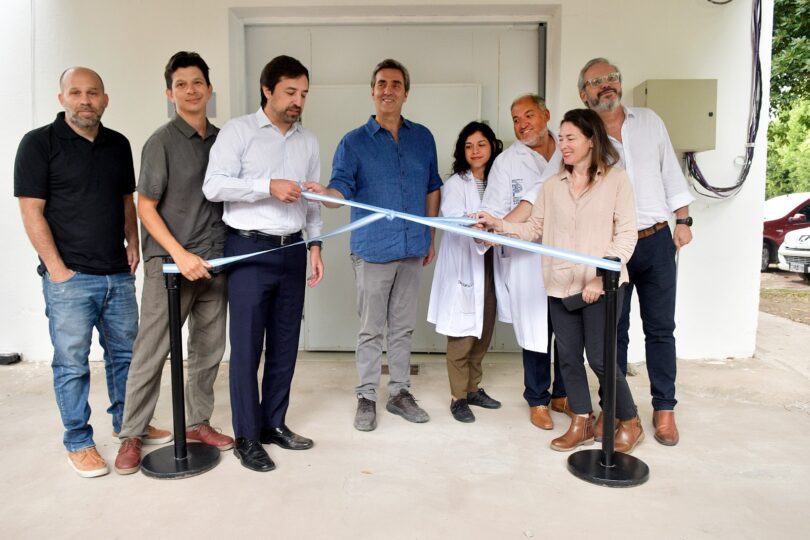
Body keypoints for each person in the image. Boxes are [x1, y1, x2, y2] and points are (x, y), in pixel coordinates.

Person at [479, 108, 644, 453]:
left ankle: (630, 420)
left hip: (601, 288)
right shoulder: (553, 186)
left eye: (571, 138)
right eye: (563, 138)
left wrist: (602, 276)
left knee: (600, 359)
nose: (563, 145)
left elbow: (627, 234)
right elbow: (533, 229)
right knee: (568, 358)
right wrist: (499, 225)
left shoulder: (617, 181)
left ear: (591, 140)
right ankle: (581, 421)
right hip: (560, 285)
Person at [14, 67, 151, 477]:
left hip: (117, 275)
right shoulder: (38, 144)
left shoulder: (118, 144)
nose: (85, 100)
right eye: (76, 93)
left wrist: (133, 242)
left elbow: (126, 199)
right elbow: (31, 212)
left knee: (126, 357)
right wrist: (57, 270)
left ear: (105, 99)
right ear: (62, 99)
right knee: (72, 364)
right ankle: (78, 441)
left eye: (93, 93)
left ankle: (129, 426)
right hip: (70, 278)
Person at [304, 59, 442, 432]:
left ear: (406, 93)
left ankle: (399, 393)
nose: (388, 90)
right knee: (370, 329)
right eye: (381, 83)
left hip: (412, 248)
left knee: (402, 327)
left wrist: (430, 235)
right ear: (372, 91)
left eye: (395, 84)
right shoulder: (353, 142)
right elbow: (340, 191)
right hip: (373, 251)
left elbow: (433, 186)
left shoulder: (422, 138)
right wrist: (325, 194)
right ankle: (366, 396)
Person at [114, 52, 234, 476]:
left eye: (197, 82)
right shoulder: (161, 142)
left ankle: (198, 423)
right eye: (181, 84)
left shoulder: (225, 140)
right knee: (152, 350)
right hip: (170, 264)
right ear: (170, 93)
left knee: (208, 349)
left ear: (210, 89)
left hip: (215, 262)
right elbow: (145, 207)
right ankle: (132, 433)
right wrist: (180, 256)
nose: (191, 90)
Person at [203, 55, 324, 472]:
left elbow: (312, 200)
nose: (298, 101)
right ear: (267, 89)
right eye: (290, 92)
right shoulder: (238, 132)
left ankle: (274, 424)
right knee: (247, 348)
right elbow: (214, 185)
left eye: (303, 94)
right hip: (250, 250)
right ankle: (247, 437)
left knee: (285, 344)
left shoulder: (309, 141)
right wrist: (266, 186)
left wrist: (315, 245)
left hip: (293, 250)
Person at [578, 57, 694, 445]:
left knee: (661, 328)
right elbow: (552, 184)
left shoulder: (649, 121)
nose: (606, 84)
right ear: (584, 94)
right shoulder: (585, 135)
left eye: (611, 77)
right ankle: (614, 410)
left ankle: (664, 409)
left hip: (658, 239)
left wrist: (684, 219)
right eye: (597, 81)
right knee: (613, 333)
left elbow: (670, 172)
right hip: (614, 247)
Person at [479, 94, 567, 431]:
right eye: (516, 119)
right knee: (536, 330)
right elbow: (494, 209)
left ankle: (563, 394)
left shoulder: (569, 147)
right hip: (527, 258)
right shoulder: (506, 163)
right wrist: (492, 230)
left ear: (546, 114)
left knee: (569, 330)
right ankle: (538, 399)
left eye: (528, 115)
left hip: (566, 253)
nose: (522, 124)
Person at [427, 122, 503, 423]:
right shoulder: (456, 183)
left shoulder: (498, 178)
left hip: (492, 261)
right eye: (469, 146)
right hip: (465, 260)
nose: (475, 151)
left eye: (481, 144)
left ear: (492, 146)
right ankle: (458, 397)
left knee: (484, 327)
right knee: (462, 331)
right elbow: (453, 216)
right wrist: (481, 226)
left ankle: (473, 388)